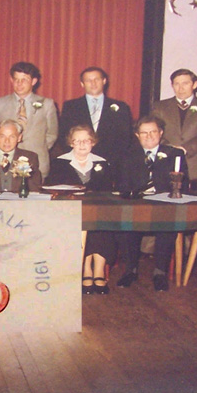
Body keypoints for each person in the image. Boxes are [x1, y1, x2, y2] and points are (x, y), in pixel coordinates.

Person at [116, 116, 188, 292]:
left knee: (167, 223)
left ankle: (160, 272)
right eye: (144, 132)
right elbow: (123, 184)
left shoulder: (174, 154)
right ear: (137, 135)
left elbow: (183, 185)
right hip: (137, 204)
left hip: (163, 204)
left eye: (153, 131)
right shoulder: (128, 155)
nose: (149, 136)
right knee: (126, 223)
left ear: (161, 133)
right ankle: (130, 270)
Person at [45, 125, 115, 294]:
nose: (82, 144)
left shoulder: (102, 163)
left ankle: (98, 269)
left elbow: (107, 191)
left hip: (97, 212)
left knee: (101, 225)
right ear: (71, 142)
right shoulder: (59, 162)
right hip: (69, 213)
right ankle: (86, 269)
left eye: (86, 140)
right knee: (81, 225)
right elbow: (51, 189)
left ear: (93, 142)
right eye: (78, 140)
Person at [59, 66, 133, 179]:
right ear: (82, 84)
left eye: (96, 79)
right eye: (88, 80)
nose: (93, 83)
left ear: (104, 81)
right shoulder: (70, 106)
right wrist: (79, 158)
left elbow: (125, 138)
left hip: (111, 164)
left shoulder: (121, 107)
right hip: (79, 164)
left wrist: (110, 160)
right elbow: (64, 135)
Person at [0, 62, 58, 178]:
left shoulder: (47, 104)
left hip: (38, 162)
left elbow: (52, 134)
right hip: (7, 162)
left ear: (33, 81)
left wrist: (39, 147)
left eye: (24, 80)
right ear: (11, 80)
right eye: (16, 80)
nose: (19, 84)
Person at [152, 69, 197, 186]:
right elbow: (155, 132)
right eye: (176, 84)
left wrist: (184, 148)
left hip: (194, 164)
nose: (180, 88)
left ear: (195, 84)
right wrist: (171, 149)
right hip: (166, 161)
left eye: (185, 83)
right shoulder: (160, 107)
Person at [0, 119, 42, 192]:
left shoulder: (30, 158)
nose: (7, 141)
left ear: (19, 138)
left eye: (12, 137)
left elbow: (34, 188)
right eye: (2, 136)